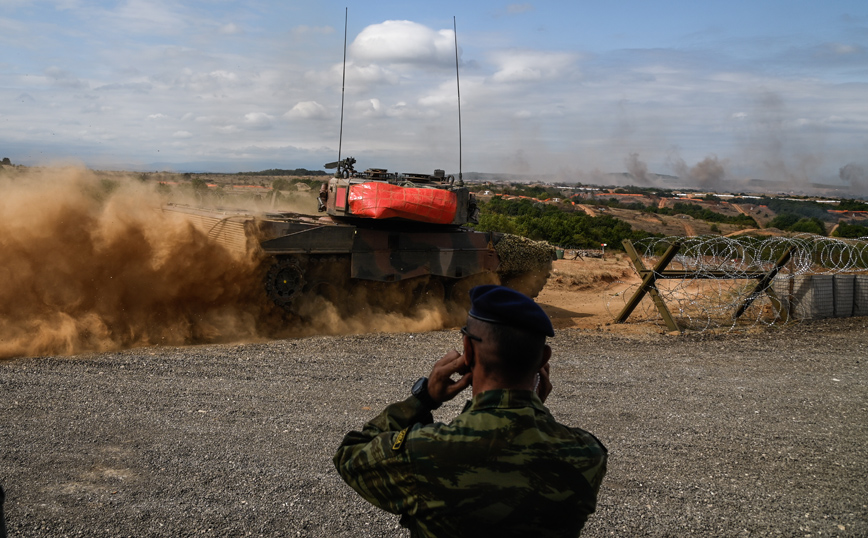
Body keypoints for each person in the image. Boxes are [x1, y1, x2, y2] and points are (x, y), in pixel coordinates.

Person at [333, 285, 607, 537]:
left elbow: (350, 454)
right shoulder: (587, 455)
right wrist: (532, 411)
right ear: (544, 359)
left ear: (468, 352)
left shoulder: (423, 452)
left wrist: (424, 398)